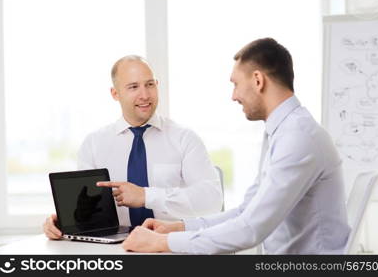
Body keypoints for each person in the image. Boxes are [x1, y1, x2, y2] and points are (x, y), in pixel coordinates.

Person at [121, 38, 351, 254]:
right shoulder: (283, 132)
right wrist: (180, 227)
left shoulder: (299, 138)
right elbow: (246, 212)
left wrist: (162, 242)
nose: (234, 96)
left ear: (258, 81)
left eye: (236, 84)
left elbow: (251, 229)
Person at [43, 55, 223, 240]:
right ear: (115, 94)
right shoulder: (94, 144)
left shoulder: (184, 138)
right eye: (133, 87)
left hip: (171, 246)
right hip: (116, 250)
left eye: (150, 84)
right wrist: (63, 221)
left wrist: (146, 196)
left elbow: (212, 200)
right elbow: (87, 210)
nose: (145, 95)